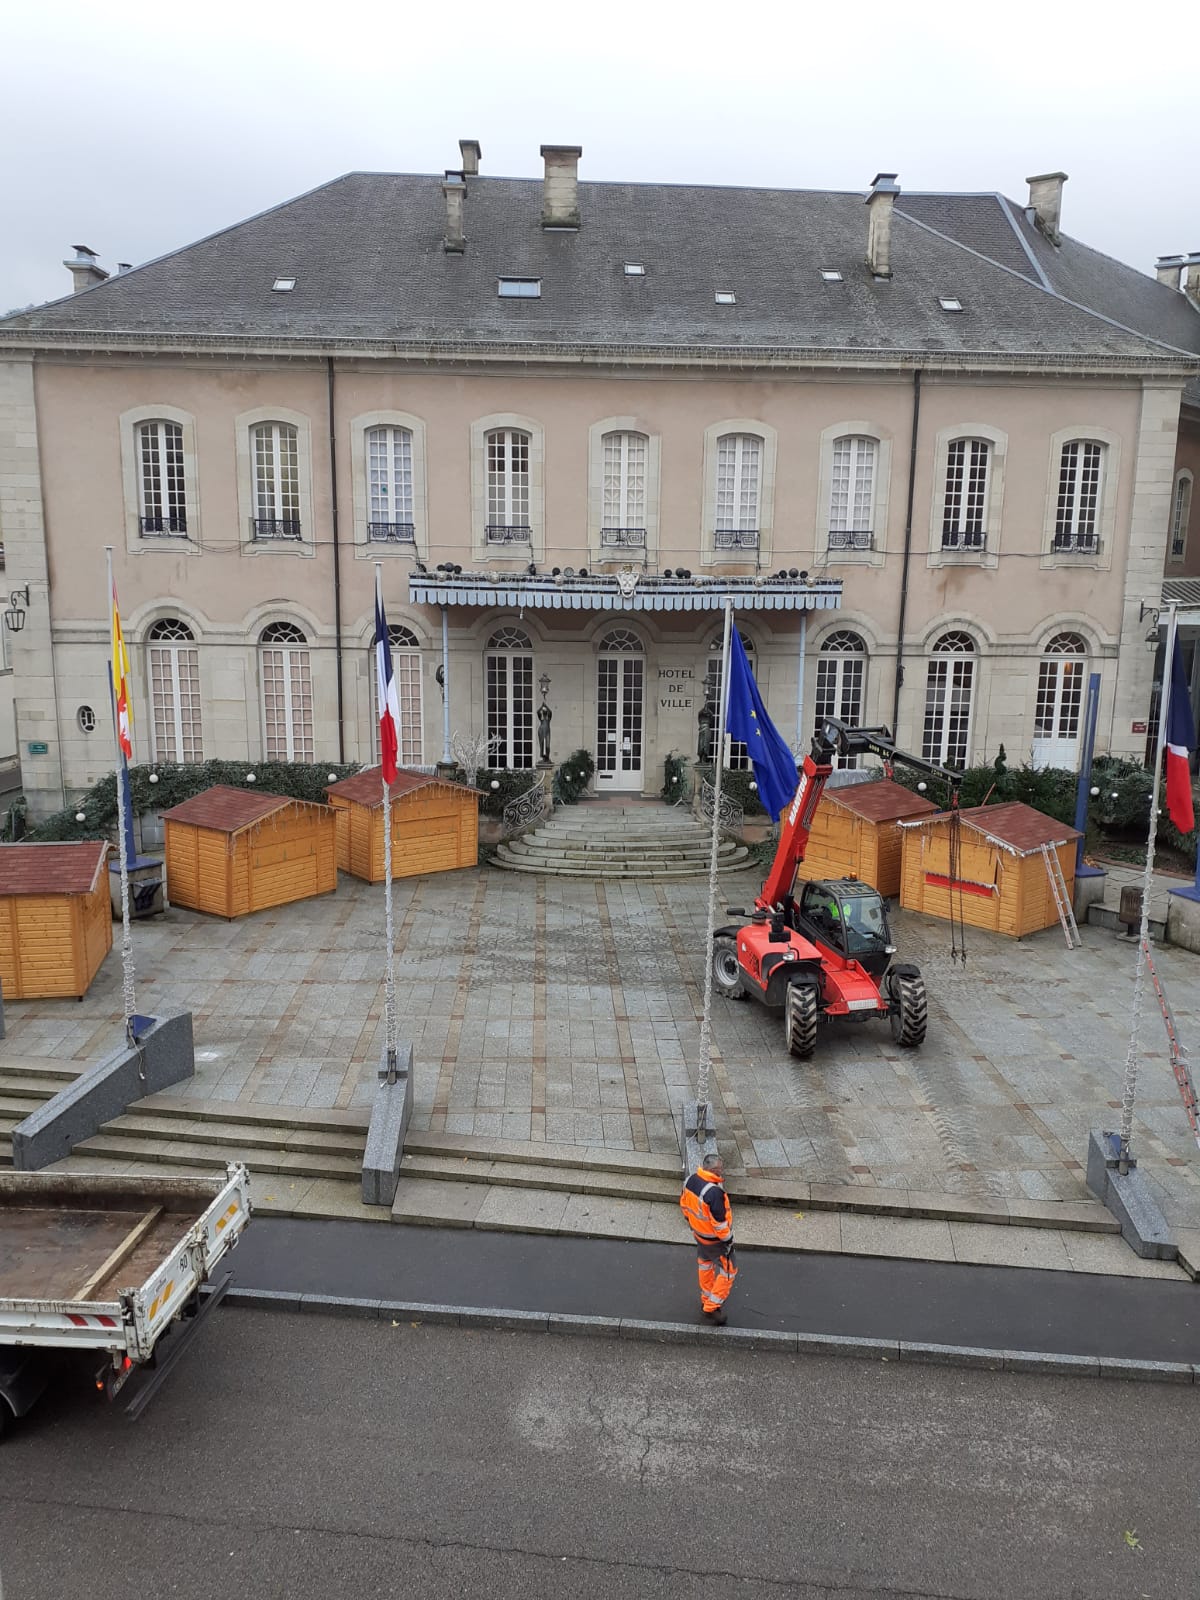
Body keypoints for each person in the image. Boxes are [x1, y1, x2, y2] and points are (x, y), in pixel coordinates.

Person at [679, 1153, 737, 1324]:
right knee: (729, 1271)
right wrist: (728, 1240)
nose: (722, 1171)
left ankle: (706, 1297)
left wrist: (692, 1223)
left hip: (699, 1235)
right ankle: (711, 1307)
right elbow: (719, 1223)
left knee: (705, 1265)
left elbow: (683, 1204)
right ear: (715, 1170)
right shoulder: (714, 1192)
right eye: (721, 1169)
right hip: (715, 1240)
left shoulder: (690, 1180)